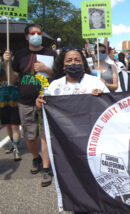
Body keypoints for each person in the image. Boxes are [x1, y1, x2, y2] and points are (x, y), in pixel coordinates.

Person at [3, 24, 57, 187]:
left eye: (38, 33)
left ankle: (46, 168)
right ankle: (36, 157)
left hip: (46, 99)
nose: (36, 35)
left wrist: (46, 69)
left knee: (45, 135)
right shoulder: (19, 55)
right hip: (25, 101)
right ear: (27, 36)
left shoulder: (51, 53)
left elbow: (58, 74)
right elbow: (12, 79)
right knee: (30, 135)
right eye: (32, 33)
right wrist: (6, 63)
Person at [0, 58, 21, 161]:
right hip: (3, 101)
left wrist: (8, 66)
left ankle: (16, 149)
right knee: (7, 125)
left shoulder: (14, 68)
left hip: (14, 100)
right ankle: (13, 144)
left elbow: (15, 79)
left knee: (15, 126)